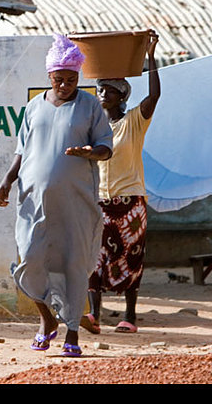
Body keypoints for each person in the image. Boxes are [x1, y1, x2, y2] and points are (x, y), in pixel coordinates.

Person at [0, 34, 113, 357]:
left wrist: (92, 152)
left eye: (72, 79)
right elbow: (22, 151)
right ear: (50, 76)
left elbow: (106, 147)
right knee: (30, 260)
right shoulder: (33, 107)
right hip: (34, 203)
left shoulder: (89, 106)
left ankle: (72, 333)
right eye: (59, 79)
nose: (65, 85)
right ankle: (47, 320)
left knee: (73, 264)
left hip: (74, 205)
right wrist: (7, 181)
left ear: (78, 77)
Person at [80, 30, 160, 335]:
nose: (102, 95)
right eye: (100, 90)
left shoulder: (134, 122)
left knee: (130, 256)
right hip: (99, 199)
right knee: (94, 257)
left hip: (130, 201)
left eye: (109, 91)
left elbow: (154, 97)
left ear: (121, 96)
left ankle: (130, 316)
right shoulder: (93, 129)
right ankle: (94, 316)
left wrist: (150, 57)